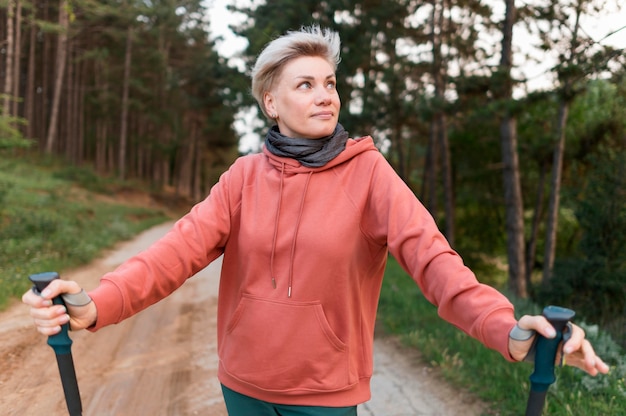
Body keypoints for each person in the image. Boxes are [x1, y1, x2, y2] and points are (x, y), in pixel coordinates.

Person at [22, 26, 609, 416]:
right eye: (305, 85)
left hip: (326, 394)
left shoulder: (370, 174)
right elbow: (173, 255)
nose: (325, 96)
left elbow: (436, 265)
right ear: (271, 103)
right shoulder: (243, 178)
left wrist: (509, 331)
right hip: (244, 386)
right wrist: (96, 304)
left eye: (329, 83)